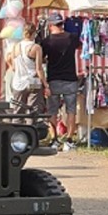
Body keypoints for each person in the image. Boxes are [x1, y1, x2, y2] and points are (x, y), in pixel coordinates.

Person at [40, 12, 82, 149]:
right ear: (61, 24)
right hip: (70, 78)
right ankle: (69, 139)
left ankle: (54, 139)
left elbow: (41, 59)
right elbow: (80, 47)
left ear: (51, 25)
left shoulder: (47, 42)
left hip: (53, 79)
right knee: (71, 110)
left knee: (52, 110)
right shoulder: (72, 38)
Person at [6, 23, 47, 114]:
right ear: (34, 33)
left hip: (18, 82)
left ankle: (17, 127)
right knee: (33, 111)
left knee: (17, 112)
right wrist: (45, 85)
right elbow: (39, 68)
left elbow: (14, 67)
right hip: (33, 81)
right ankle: (31, 126)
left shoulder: (15, 47)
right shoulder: (36, 48)